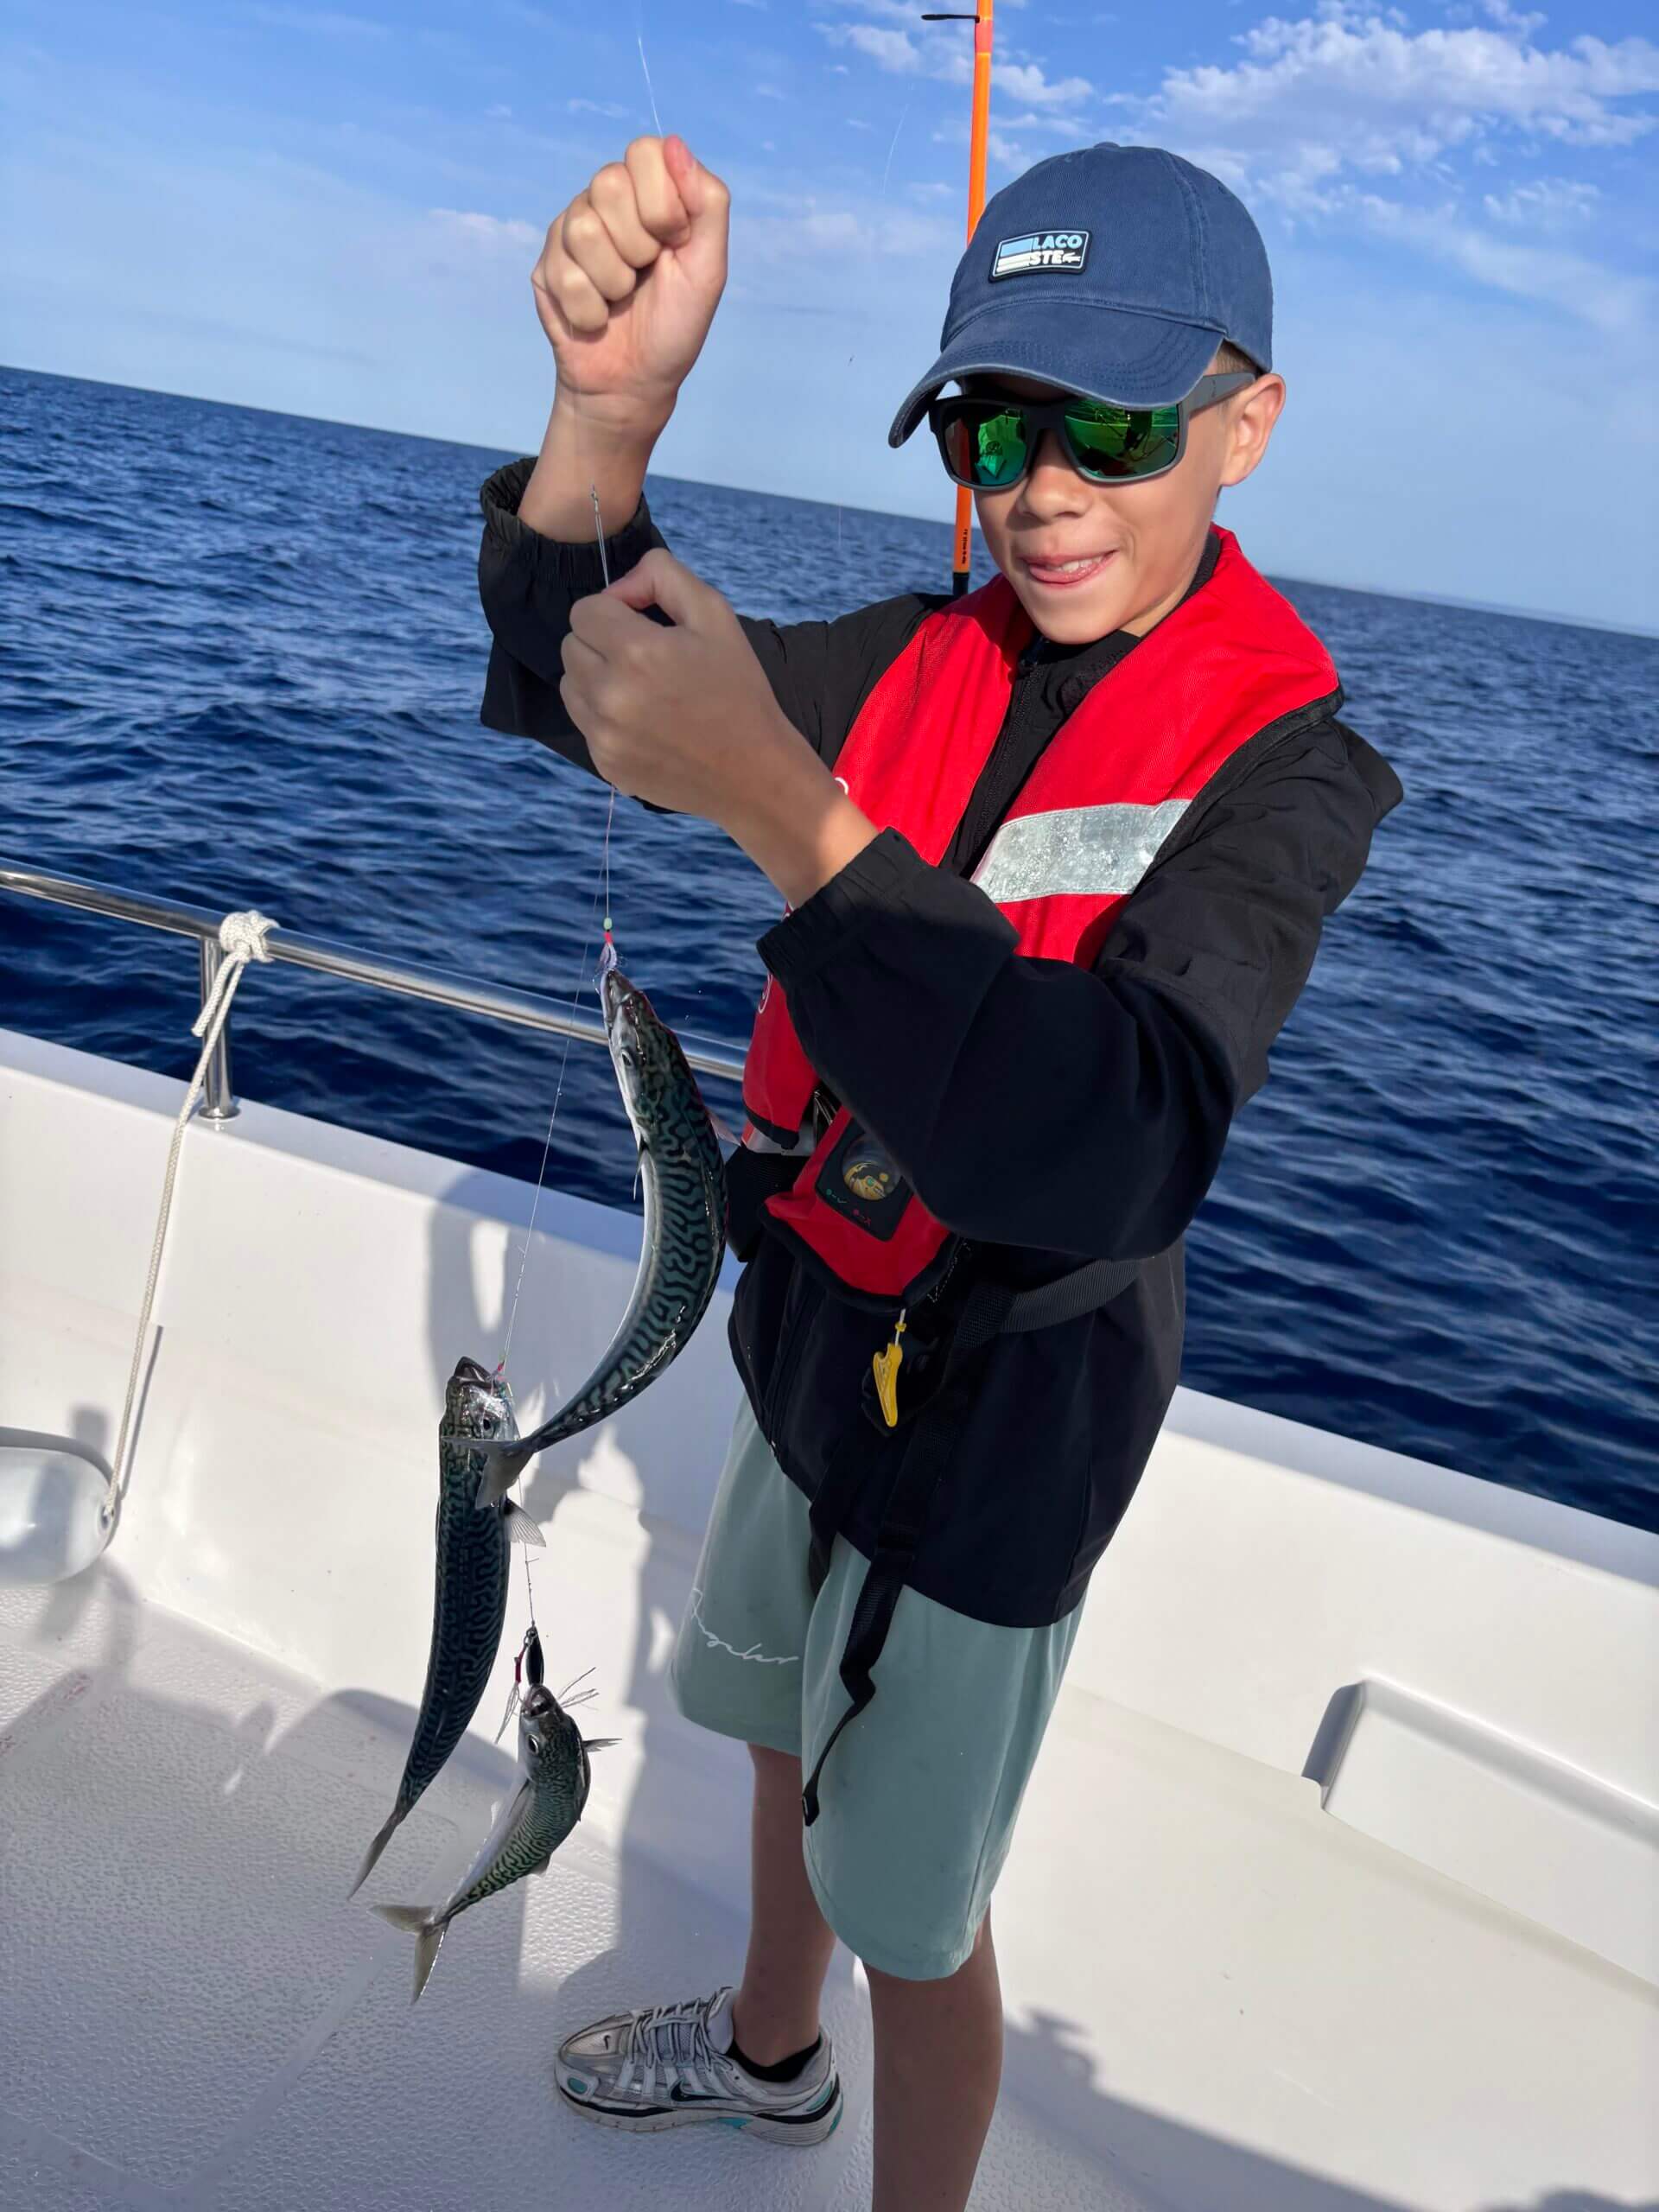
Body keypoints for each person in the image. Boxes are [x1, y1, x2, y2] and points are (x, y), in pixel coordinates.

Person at [475, 132, 1403, 2212]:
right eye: (997, 419)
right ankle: (769, 2053)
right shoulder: (912, 650)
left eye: (1116, 419)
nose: (1045, 480)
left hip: (1011, 1431)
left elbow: (1126, 1130)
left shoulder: (1292, 769)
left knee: (920, 1905)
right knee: (781, 1729)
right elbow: (580, 681)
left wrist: (792, 819)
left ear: (1246, 426)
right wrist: (600, 427)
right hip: (814, 1325)